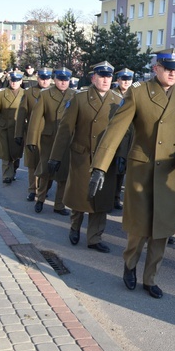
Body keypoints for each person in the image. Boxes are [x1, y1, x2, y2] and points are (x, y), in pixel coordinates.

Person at [89, 52, 175, 299]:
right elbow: (115, 130)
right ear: (156, 68)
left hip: (169, 171)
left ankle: (150, 278)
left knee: (161, 230)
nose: (173, 73)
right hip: (142, 170)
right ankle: (130, 265)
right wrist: (100, 167)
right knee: (138, 229)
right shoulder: (138, 92)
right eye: (167, 68)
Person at [50, 62, 123, 253]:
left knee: (101, 199)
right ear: (93, 78)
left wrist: (122, 155)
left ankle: (94, 237)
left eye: (109, 76)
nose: (106, 80)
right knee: (80, 196)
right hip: (82, 156)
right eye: (101, 76)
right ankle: (75, 227)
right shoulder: (80, 98)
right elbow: (65, 129)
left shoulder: (117, 100)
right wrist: (55, 157)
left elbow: (124, 131)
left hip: (106, 159)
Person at [27, 67, 76, 215]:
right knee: (45, 173)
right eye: (60, 79)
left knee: (63, 175)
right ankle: (40, 199)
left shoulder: (75, 96)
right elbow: (35, 119)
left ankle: (59, 205)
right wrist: (31, 140)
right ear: (54, 80)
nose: (63, 82)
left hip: (66, 141)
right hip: (48, 139)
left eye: (66, 80)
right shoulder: (45, 95)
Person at [15, 67, 52, 202]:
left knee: (47, 163)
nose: (44, 81)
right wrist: (18, 133)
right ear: (38, 78)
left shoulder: (55, 92)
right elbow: (21, 114)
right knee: (33, 164)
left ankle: (44, 189)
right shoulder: (30, 93)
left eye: (47, 78)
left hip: (50, 134)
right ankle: (32, 190)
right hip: (32, 133)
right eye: (42, 78)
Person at [0, 71, 25, 184]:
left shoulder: (26, 94)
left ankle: (13, 170)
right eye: (12, 80)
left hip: (18, 128)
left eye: (17, 81)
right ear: (9, 81)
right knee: (5, 152)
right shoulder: (1, 93)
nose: (14, 83)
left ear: (21, 81)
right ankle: (6, 175)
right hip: (4, 127)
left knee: (16, 153)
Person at [112, 68, 134, 210]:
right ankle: (107, 197)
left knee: (121, 172)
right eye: (123, 79)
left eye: (129, 79)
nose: (126, 82)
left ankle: (116, 198)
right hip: (114, 138)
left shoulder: (135, 95)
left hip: (128, 140)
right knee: (110, 171)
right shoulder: (112, 95)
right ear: (118, 80)